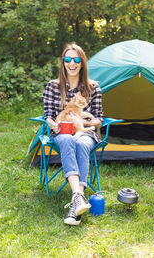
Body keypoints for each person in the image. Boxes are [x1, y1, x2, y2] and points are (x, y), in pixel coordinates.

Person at [43, 42, 103, 225]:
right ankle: (79, 197)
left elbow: (99, 119)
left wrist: (83, 122)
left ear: (82, 63)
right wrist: (53, 124)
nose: (72, 63)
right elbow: (48, 115)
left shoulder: (94, 88)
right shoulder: (53, 87)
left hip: (86, 133)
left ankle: (76, 202)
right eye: (68, 59)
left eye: (76, 59)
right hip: (62, 131)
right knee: (69, 140)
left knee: (82, 143)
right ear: (63, 62)